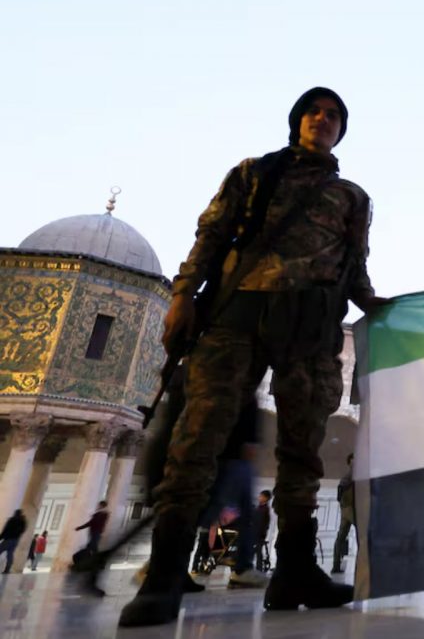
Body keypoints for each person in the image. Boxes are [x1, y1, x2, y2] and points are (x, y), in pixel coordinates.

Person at [120, 87, 387, 627]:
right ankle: (166, 574)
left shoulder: (352, 198)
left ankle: (293, 572)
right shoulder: (254, 173)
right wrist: (181, 296)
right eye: (314, 111)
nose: (323, 119)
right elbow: (211, 237)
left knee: (302, 452)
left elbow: (352, 267)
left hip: (309, 329)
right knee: (197, 441)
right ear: (297, 122)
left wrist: (378, 305)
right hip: (237, 318)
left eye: (334, 115)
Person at [332, 454, 355, 574]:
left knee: (340, 537)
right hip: (351, 509)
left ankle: (335, 566)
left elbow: (338, 496)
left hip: (345, 510)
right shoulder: (353, 475)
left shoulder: (345, 478)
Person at [255, 490, 272, 572]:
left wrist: (262, 533)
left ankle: (259, 569)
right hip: (255, 533)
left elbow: (265, 524)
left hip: (259, 534)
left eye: (261, 496)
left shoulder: (265, 509)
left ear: (266, 498)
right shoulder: (259, 507)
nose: (259, 497)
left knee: (258, 552)